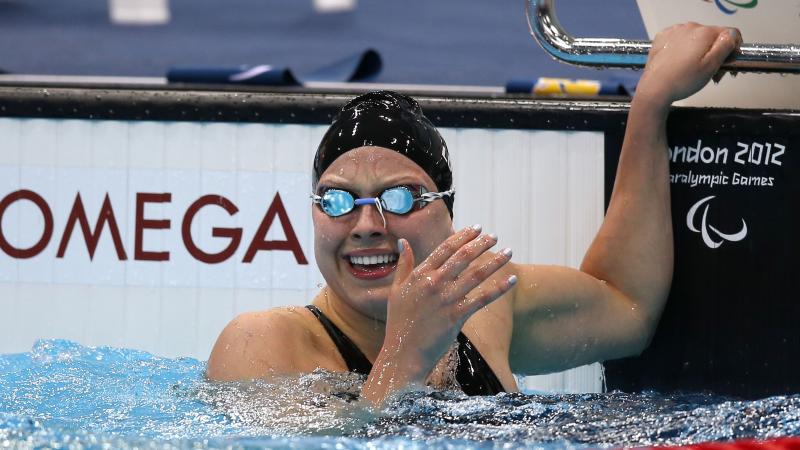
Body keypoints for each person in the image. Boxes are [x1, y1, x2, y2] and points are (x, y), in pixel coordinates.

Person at [207, 23, 743, 404]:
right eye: (338, 200)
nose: (366, 226)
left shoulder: (484, 308)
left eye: (399, 198)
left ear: (447, 213)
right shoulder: (263, 344)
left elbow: (628, 309)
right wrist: (406, 356)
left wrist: (649, 106)